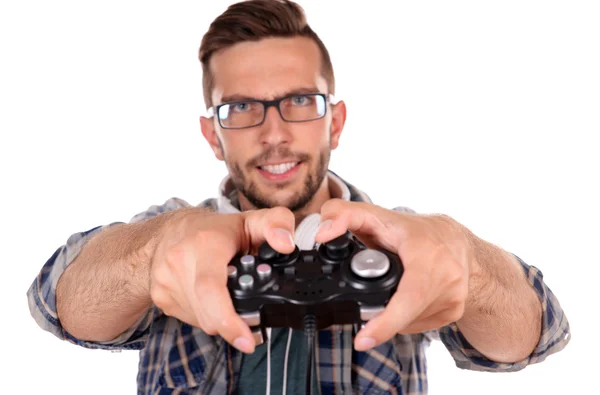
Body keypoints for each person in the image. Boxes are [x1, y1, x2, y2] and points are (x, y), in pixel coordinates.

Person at [27, 0, 571, 394]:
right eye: (239, 108)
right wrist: (150, 253)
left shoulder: (404, 243)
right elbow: (57, 304)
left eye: (300, 101)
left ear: (335, 123)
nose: (275, 134)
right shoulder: (172, 235)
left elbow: (536, 337)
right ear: (211, 136)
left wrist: (469, 266)